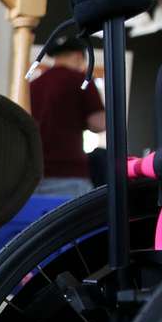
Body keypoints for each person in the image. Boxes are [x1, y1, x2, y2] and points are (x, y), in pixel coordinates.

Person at [29, 33, 107, 198]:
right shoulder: (81, 80)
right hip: (70, 172)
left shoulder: (34, 85)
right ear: (79, 56)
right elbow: (99, 124)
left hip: (34, 174)